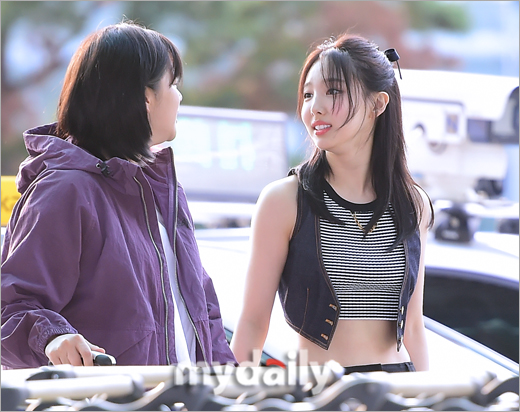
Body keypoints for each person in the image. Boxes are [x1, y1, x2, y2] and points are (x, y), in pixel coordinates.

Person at [1, 21, 236, 369]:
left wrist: (227, 384)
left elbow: (206, 314)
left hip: (185, 394)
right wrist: (53, 337)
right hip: (105, 397)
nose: (179, 97)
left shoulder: (165, 192)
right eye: (172, 85)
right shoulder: (65, 191)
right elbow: (11, 310)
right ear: (145, 98)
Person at [231, 33, 433, 373]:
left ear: (378, 104)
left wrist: (429, 393)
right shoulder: (284, 200)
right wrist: (231, 392)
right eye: (309, 94)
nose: (315, 107)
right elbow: (252, 323)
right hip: (320, 391)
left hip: (399, 388)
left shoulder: (412, 203)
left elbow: (413, 326)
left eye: (333, 91)